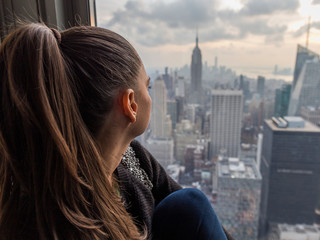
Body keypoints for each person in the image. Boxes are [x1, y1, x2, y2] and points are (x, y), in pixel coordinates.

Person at [0, 23, 232, 240]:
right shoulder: (56, 224)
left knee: (189, 204)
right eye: (147, 86)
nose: (150, 94)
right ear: (130, 104)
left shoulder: (131, 157)